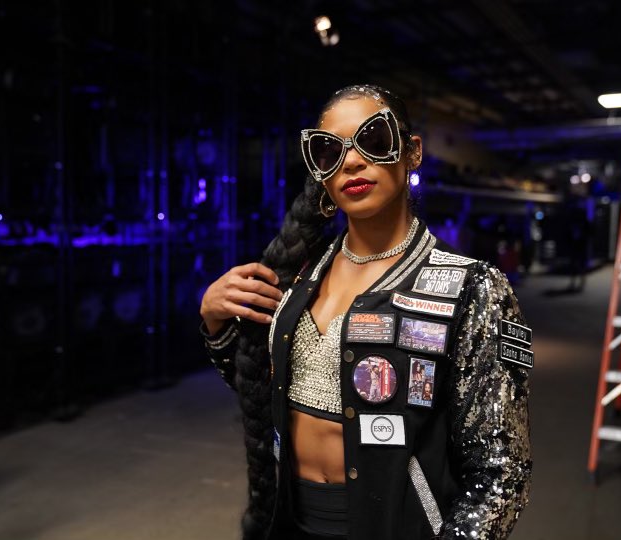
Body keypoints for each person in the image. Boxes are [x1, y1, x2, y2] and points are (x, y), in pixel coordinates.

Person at [199, 84, 532, 540]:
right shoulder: (298, 274)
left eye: (373, 140)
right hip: (291, 523)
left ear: (412, 152)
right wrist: (216, 322)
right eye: (330, 150)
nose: (352, 162)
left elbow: (501, 473)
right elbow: (259, 390)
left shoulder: (471, 287)